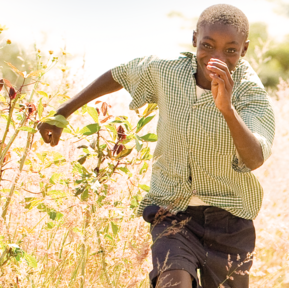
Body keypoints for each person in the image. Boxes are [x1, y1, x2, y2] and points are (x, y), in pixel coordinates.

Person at [36, 4, 274, 287]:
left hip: (229, 225)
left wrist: (227, 110)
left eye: (230, 50)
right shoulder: (167, 71)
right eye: (207, 45)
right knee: (172, 282)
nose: (216, 58)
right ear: (195, 38)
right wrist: (63, 111)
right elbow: (121, 74)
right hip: (172, 213)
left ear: (244, 50)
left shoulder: (250, 93)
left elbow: (255, 158)